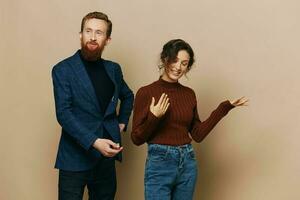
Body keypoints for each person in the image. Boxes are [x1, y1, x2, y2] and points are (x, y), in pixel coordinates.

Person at [131, 39, 248, 200]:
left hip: (187, 162)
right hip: (160, 163)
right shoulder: (146, 92)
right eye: (174, 60)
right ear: (165, 59)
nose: (178, 67)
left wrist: (224, 108)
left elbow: (198, 135)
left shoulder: (188, 94)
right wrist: (154, 117)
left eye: (184, 63)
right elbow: (136, 138)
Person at [52, 11, 134, 200]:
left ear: (107, 40)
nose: (93, 37)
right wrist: (95, 142)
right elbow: (64, 113)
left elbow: (128, 96)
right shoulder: (62, 69)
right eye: (88, 31)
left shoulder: (113, 69)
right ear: (80, 35)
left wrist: (121, 122)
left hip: (105, 162)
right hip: (74, 159)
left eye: (99, 33)